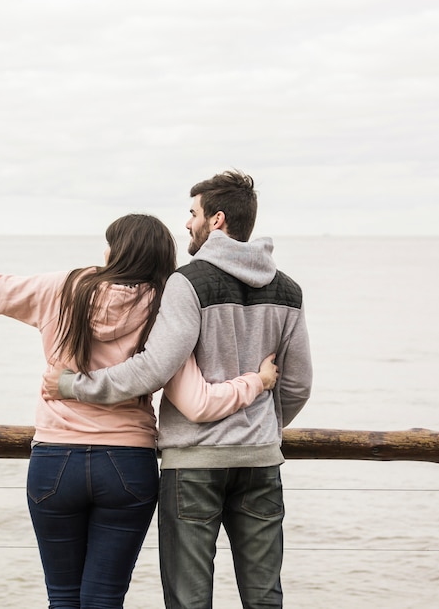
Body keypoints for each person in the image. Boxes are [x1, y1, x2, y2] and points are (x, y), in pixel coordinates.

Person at [0, 212, 279, 609]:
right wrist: (255, 383)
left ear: (115, 251)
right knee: (103, 600)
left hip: (54, 461)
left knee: (62, 599)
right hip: (127, 465)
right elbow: (193, 397)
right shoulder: (163, 307)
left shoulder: (64, 289)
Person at [44, 172, 313, 609]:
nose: (187, 224)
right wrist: (262, 429)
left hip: (194, 465)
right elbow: (298, 384)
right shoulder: (289, 291)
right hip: (261, 460)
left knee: (189, 599)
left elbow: (153, 369)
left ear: (217, 220)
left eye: (193, 213)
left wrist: (74, 385)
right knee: (265, 596)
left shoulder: (187, 283)